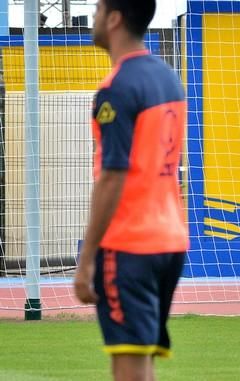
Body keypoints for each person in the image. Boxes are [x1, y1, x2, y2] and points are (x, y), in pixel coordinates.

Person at [73, 1, 189, 380]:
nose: (92, 20)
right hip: (170, 240)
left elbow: (112, 176)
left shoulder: (117, 87)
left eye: (97, 11)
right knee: (142, 363)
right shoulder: (166, 77)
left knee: (128, 368)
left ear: (115, 17)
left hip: (130, 243)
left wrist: (87, 258)